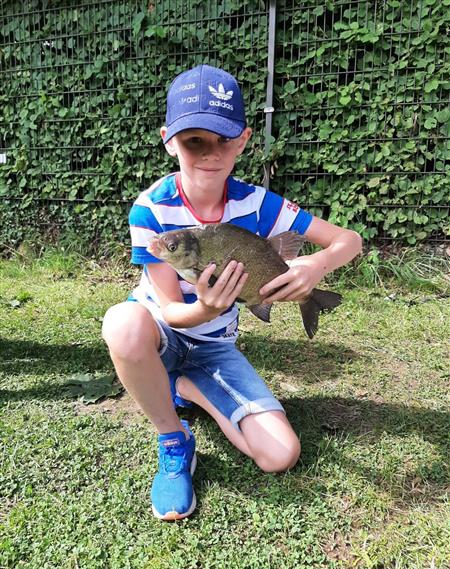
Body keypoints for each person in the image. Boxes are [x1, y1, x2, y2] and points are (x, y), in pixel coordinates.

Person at [102, 64, 362, 521]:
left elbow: (349, 240)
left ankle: (188, 386)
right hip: (160, 335)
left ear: (243, 140)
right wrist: (205, 308)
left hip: (214, 347)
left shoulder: (260, 204)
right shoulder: (150, 210)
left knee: (280, 455)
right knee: (122, 323)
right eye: (194, 141)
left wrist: (315, 267)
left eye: (224, 139)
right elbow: (170, 311)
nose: (211, 153)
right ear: (169, 140)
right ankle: (173, 438)